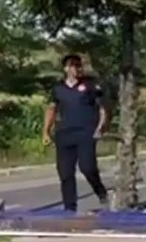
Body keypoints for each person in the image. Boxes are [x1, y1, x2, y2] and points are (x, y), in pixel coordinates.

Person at [43, 54, 110, 211]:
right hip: (64, 133)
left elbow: (102, 109)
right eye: (73, 66)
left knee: (87, 167)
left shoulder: (90, 85)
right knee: (65, 173)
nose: (77, 69)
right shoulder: (58, 88)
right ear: (66, 68)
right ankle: (70, 208)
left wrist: (100, 127)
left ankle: (100, 191)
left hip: (85, 132)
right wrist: (46, 131)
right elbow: (51, 109)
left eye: (79, 66)